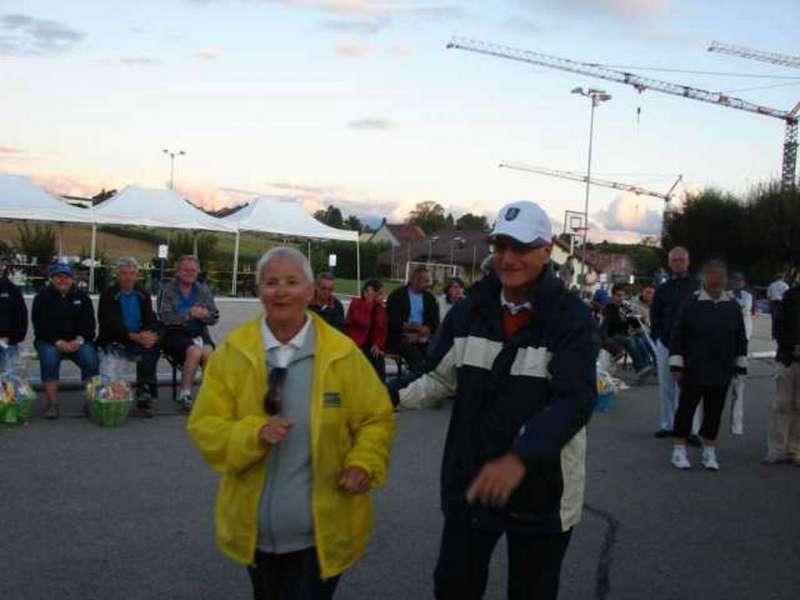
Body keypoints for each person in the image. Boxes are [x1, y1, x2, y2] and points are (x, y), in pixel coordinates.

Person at [391, 201, 598, 600]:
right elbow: (436, 375)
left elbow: (575, 401)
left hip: (544, 488)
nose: (507, 258)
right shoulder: (471, 308)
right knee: (454, 588)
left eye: (520, 248)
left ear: (546, 250)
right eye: (500, 246)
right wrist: (386, 398)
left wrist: (519, 457)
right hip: (472, 480)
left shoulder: (570, 316)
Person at [187, 247, 395, 600]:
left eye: (292, 282)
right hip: (254, 534)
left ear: (310, 292)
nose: (281, 291)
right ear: (259, 291)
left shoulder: (342, 354)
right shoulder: (232, 353)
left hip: (320, 534)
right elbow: (205, 426)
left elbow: (376, 418)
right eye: (271, 283)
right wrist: (253, 432)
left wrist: (364, 463)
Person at [668, 260, 747, 470]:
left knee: (714, 412)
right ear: (704, 280)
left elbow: (740, 336)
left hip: (721, 368)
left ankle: (709, 451)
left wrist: (740, 363)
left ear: (724, 281)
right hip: (694, 368)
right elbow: (678, 335)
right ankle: (678, 450)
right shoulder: (691, 304)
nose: (716, 285)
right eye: (712, 280)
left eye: (720, 280)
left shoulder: (732, 306)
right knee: (686, 409)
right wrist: (676, 365)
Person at [32, 262, 99, 419]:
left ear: (72, 279)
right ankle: (52, 403)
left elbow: (90, 326)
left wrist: (79, 341)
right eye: (58, 277)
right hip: (49, 341)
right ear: (52, 279)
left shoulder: (83, 298)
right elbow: (40, 326)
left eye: (66, 277)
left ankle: (91, 401)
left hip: (78, 341)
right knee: (49, 359)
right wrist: (58, 342)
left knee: (91, 359)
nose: (63, 280)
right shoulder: (41, 298)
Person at [97, 257, 161, 418]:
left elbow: (150, 319)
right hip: (116, 337)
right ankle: (111, 397)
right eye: (124, 273)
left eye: (132, 273)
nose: (128, 277)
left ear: (137, 275)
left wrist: (150, 334)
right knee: (112, 360)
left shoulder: (142, 294)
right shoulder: (108, 294)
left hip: (138, 336)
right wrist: (133, 336)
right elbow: (109, 323)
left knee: (151, 348)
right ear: (117, 275)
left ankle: (144, 393)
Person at [650, 246, 700, 442]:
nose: (678, 263)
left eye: (681, 260)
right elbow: (655, 315)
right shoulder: (662, 289)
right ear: (669, 264)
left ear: (687, 262)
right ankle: (667, 424)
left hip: (692, 345)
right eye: (674, 260)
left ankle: (692, 429)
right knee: (667, 386)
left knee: (691, 388)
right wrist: (658, 338)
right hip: (666, 343)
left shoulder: (697, 287)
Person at [159, 255, 219, 411]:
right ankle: (185, 394)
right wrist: (188, 315)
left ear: (198, 271)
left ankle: (209, 394)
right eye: (185, 270)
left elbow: (215, 317)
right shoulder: (167, 290)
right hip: (174, 334)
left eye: (193, 270)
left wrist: (206, 315)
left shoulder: (202, 289)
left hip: (199, 333)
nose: (190, 273)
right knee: (194, 351)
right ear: (178, 271)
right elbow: (163, 317)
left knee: (209, 353)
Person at [765, 269, 800, 465]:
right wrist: (791, 346)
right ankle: (777, 449)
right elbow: (778, 326)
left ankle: (795, 450)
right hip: (787, 357)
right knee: (781, 405)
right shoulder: (790, 297)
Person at [385, 266, 440, 370]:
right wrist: (417, 329)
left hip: (423, 337)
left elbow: (434, 323)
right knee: (415, 356)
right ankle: (415, 380)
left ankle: (425, 378)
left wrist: (419, 336)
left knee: (433, 354)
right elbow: (393, 323)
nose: (429, 284)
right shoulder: (397, 296)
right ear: (415, 280)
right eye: (426, 281)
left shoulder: (430, 298)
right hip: (399, 336)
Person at [603, 284, 654, 383]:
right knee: (630, 341)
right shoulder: (609, 308)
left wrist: (639, 319)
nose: (621, 298)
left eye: (622, 295)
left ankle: (646, 365)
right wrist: (627, 317)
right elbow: (615, 324)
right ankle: (640, 369)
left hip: (624, 335)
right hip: (612, 335)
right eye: (618, 295)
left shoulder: (625, 307)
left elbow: (634, 325)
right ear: (613, 296)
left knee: (639, 340)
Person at [345, 279, 388, 381]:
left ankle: (380, 390)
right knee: (363, 359)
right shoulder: (356, 304)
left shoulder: (380, 309)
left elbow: (382, 330)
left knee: (378, 358)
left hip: (370, 344)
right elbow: (363, 322)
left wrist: (378, 344)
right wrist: (368, 303)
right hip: (356, 342)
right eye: (380, 293)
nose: (383, 296)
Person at [727, 272, 753, 435]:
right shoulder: (726, 295)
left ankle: (737, 424)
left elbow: (744, 308)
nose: (737, 283)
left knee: (739, 380)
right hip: (728, 337)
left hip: (744, 336)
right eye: (735, 280)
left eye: (740, 280)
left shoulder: (747, 296)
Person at [0, 256, 27, 366]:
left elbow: (21, 317)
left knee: (11, 376)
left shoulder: (13, 290)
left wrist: (11, 338)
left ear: (2, 267)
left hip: (7, 341)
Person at [767, 272, 790, 340]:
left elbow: (768, 296)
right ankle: (781, 334)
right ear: (782, 278)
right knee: (782, 319)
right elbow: (787, 295)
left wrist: (769, 304)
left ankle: (773, 335)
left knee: (774, 320)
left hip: (774, 303)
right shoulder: (785, 285)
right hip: (782, 303)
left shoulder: (771, 285)